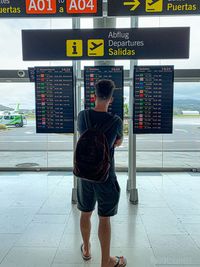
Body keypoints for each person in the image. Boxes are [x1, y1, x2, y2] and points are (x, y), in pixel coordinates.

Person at [76, 79, 127, 267]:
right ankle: (106, 262)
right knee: (104, 217)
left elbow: (83, 135)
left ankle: (87, 250)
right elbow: (118, 142)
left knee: (85, 212)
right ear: (111, 99)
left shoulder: (82, 116)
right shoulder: (115, 121)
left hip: (84, 174)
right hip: (105, 175)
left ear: (93, 96)